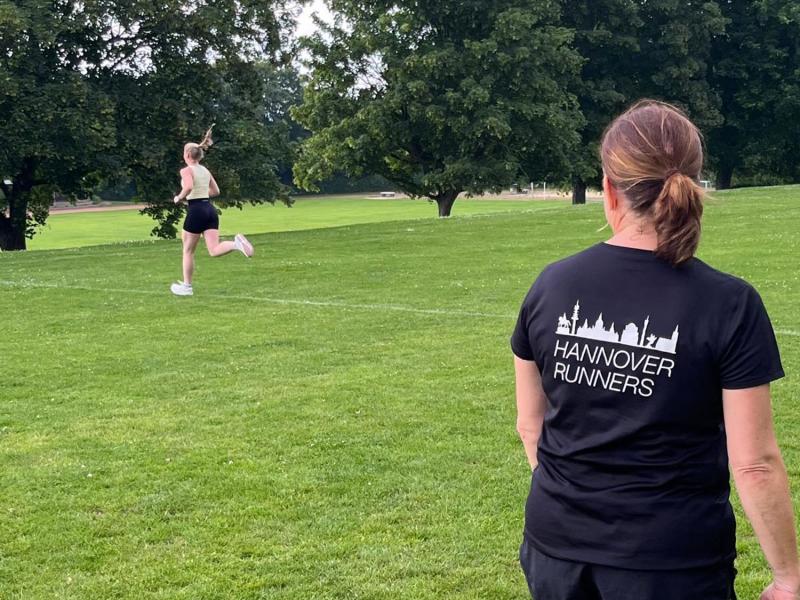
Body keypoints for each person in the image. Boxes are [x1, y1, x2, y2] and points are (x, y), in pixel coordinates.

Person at [511, 100, 798, 600]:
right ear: (693, 182)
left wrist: (579, 509)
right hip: (670, 563)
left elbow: (529, 425)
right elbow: (753, 464)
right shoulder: (728, 303)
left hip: (557, 553)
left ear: (609, 189)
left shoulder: (551, 285)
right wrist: (789, 577)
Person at [170, 127, 254, 297]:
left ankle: (187, 287)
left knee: (188, 251)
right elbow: (216, 191)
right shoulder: (205, 170)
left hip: (196, 210)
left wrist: (179, 197)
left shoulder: (186, 170)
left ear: (187, 155)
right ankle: (236, 244)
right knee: (214, 249)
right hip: (209, 209)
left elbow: (188, 186)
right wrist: (198, 194)